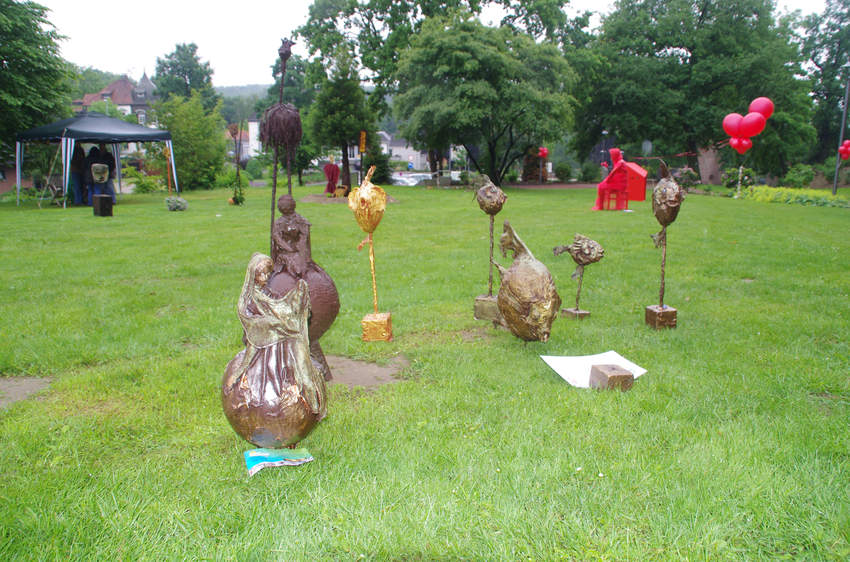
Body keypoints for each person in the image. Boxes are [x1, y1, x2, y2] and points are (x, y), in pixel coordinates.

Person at [221, 253, 327, 448]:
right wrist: (275, 323)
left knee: (304, 371)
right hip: (261, 347)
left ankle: (307, 411)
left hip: (282, 347)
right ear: (253, 275)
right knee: (247, 376)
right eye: (261, 274)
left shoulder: (268, 294)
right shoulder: (249, 300)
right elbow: (250, 320)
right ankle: (262, 421)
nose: (265, 278)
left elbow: (282, 306)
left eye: (268, 274)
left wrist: (297, 299)